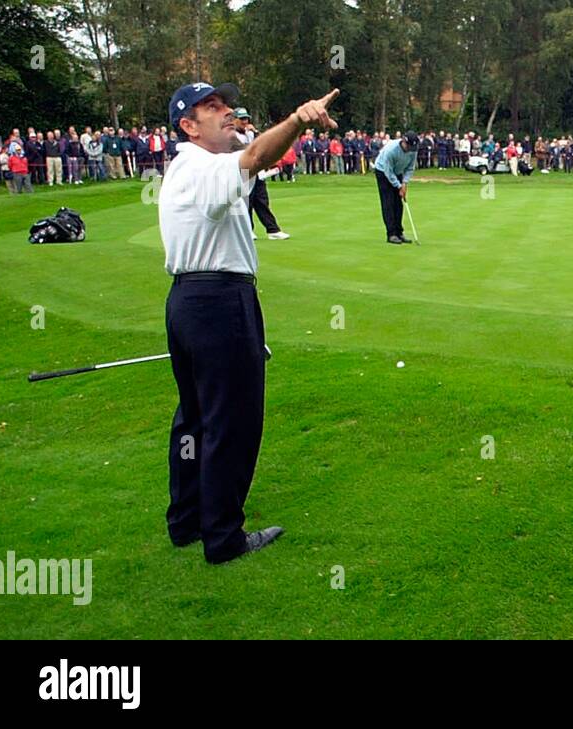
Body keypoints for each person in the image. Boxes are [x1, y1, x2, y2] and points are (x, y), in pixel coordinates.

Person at [159, 81, 339, 563]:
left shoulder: (198, 161)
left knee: (195, 419)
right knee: (230, 421)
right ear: (188, 126)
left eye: (225, 104)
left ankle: (187, 521)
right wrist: (299, 117)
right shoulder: (201, 166)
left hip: (188, 301)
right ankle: (224, 537)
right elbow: (256, 155)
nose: (226, 112)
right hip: (219, 300)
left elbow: (254, 146)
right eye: (211, 108)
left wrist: (299, 128)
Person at [233, 108, 289, 240]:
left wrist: (256, 133)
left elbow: (263, 145)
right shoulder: (232, 135)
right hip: (244, 171)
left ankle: (272, 230)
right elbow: (245, 151)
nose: (245, 122)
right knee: (247, 201)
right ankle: (248, 230)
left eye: (246, 119)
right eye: (241, 119)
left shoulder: (250, 133)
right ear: (234, 120)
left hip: (257, 171)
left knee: (262, 200)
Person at [373, 131, 417, 244]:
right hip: (383, 171)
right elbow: (388, 172)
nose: (410, 149)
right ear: (403, 141)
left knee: (398, 203)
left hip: (398, 171)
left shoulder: (413, 149)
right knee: (388, 203)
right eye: (409, 146)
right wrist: (398, 185)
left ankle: (399, 232)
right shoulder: (391, 150)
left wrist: (405, 183)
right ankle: (391, 234)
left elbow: (410, 168)